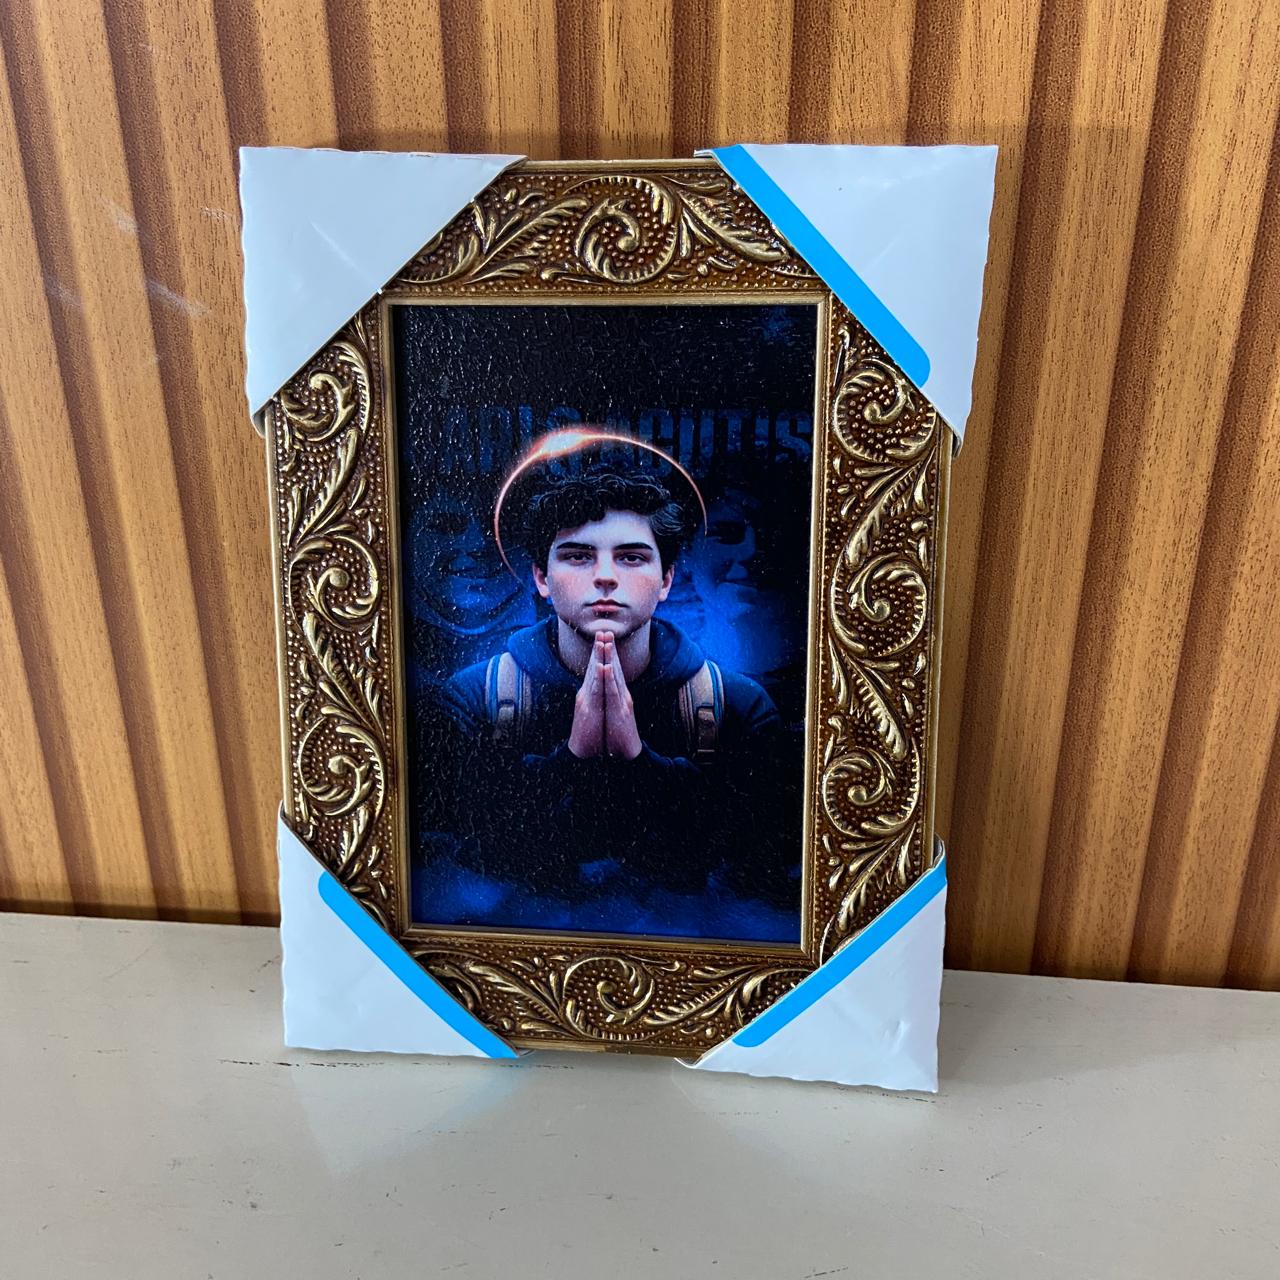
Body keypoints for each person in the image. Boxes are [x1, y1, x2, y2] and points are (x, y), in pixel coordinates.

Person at [408, 446, 802, 941]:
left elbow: (755, 883)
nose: (605, 577)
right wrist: (573, 758)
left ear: (666, 580)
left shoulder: (739, 708)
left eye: (632, 557)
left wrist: (637, 762)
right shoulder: (471, 700)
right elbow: (454, 879)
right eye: (577, 556)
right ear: (541, 578)